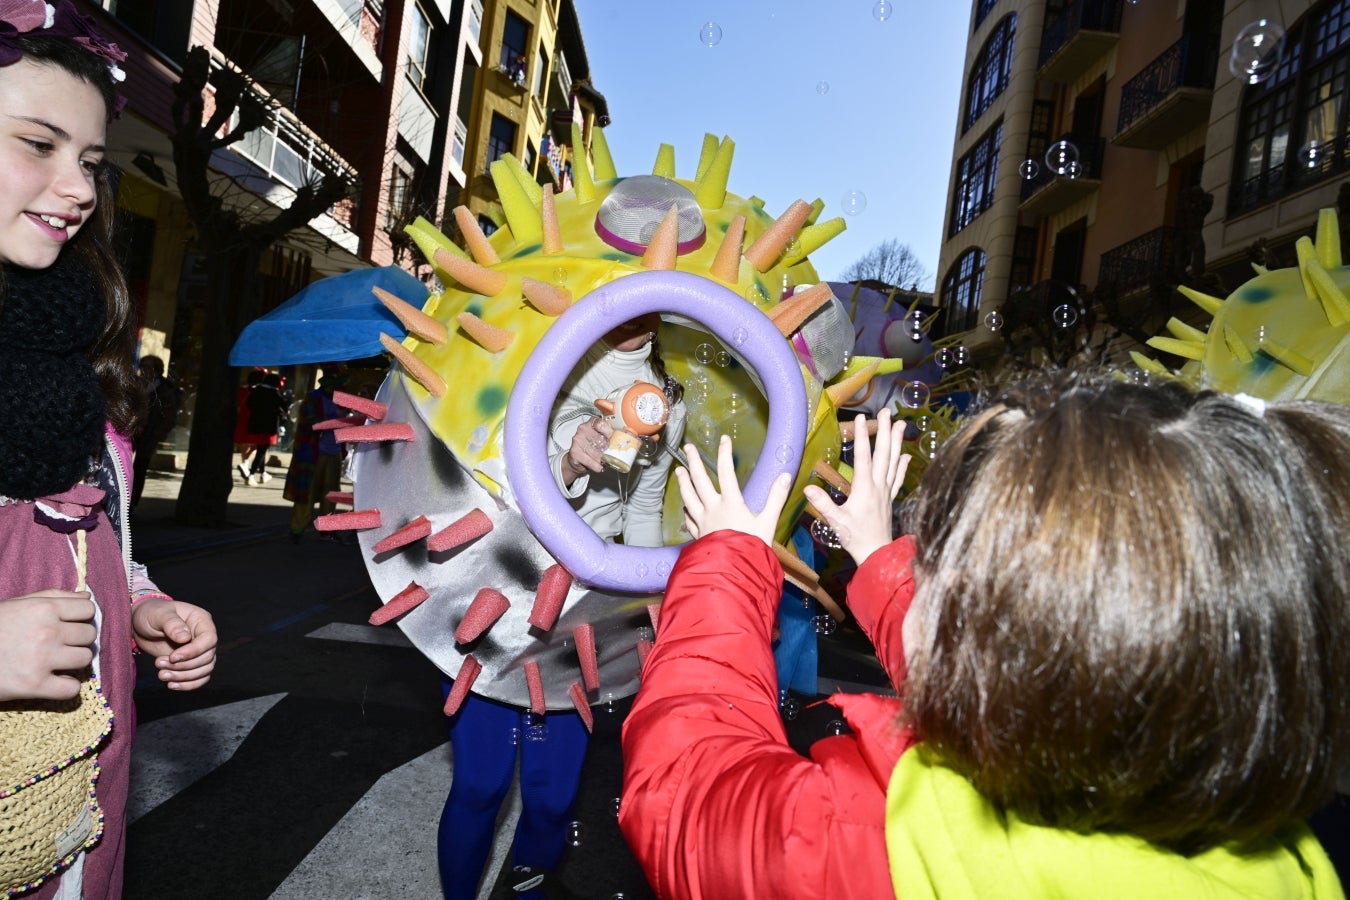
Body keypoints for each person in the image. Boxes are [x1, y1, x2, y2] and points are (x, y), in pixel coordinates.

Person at [619, 372, 1350, 898]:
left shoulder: (884, 843)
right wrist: (879, 559)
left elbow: (682, 792)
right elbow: (1017, 673)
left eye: (945, 566)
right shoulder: (1284, 868)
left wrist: (724, 557)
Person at [0, 6, 218, 898]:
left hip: (77, 822)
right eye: (38, 144)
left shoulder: (88, 372)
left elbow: (96, 551)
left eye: (89, 161)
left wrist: (141, 609)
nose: (79, 186)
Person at [438, 312, 686, 899]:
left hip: (586, 609)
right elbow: (489, 474)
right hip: (505, 585)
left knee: (552, 797)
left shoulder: (667, 399)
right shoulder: (544, 348)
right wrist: (569, 463)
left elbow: (644, 510)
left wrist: (650, 602)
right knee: (479, 784)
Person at [284, 371, 345, 542]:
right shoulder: (313, 398)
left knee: (331, 492)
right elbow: (309, 422)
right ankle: (297, 529)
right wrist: (330, 421)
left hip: (334, 451)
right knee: (307, 492)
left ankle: (327, 529)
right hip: (313, 451)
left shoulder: (341, 400)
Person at [129, 354, 180, 511]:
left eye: (149, 367)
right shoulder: (135, 384)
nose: (144, 371)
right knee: (122, 465)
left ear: (158, 370)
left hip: (149, 433)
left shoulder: (165, 389)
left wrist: (158, 433)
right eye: (142, 366)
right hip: (130, 432)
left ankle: (132, 503)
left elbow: (169, 416)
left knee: (140, 468)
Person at [243, 370, 285, 484]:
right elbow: (284, 406)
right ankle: (251, 475)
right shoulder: (274, 393)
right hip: (268, 426)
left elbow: (248, 404)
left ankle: (263, 474)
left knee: (260, 449)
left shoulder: (256, 390)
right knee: (262, 451)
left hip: (255, 424)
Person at [234, 367, 266, 481]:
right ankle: (246, 464)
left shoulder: (242, 390)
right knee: (257, 445)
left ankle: (245, 466)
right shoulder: (260, 392)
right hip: (255, 420)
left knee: (245, 445)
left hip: (241, 420)